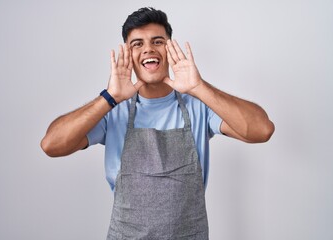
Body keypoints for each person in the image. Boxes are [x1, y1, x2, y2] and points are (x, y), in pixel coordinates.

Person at [41, 7, 274, 239]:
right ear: (128, 55)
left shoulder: (198, 106)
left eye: (157, 41)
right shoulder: (113, 111)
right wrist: (109, 97)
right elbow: (51, 145)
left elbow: (261, 130)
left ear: (170, 48)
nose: (148, 49)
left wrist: (198, 87)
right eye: (137, 44)